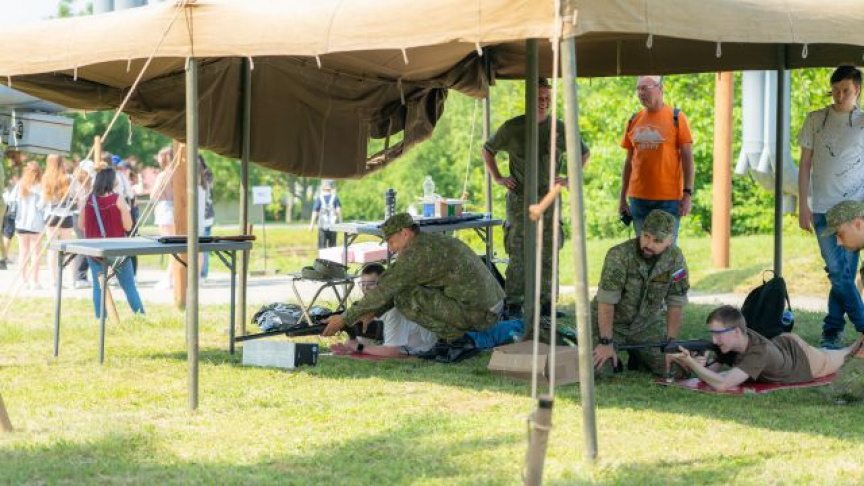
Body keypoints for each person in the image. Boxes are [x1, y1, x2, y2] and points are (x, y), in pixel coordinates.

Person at [482, 77, 590, 318]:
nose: (543, 102)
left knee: (549, 251)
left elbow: (584, 153)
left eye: (547, 98)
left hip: (550, 198)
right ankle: (514, 304)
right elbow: (487, 150)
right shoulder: (512, 128)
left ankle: (547, 305)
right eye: (539, 97)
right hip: (520, 199)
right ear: (528, 99)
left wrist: (569, 179)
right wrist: (498, 178)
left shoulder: (559, 128)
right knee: (518, 251)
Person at [322, 212, 504, 341]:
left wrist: (344, 318)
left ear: (405, 233)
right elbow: (393, 284)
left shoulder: (415, 254)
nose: (390, 249)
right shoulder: (427, 242)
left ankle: (456, 340)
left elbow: (385, 289)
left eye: (391, 241)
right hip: (490, 306)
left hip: (479, 313)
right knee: (405, 290)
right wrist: (373, 311)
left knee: (404, 298)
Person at [797, 66, 864, 349]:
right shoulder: (815, 119)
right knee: (838, 272)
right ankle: (858, 326)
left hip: (854, 213)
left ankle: (832, 330)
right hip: (823, 208)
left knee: (841, 275)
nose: (839, 95)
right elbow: (805, 164)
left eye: (845, 90)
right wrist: (803, 204)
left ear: (856, 90)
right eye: (835, 90)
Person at [591, 209, 690, 378]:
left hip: (646, 325)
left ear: (670, 240)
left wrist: (671, 345)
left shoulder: (675, 259)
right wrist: (606, 342)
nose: (649, 244)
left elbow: (676, 302)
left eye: (657, 240)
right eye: (646, 236)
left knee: (676, 370)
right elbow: (606, 301)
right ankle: (618, 360)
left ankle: (639, 359)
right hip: (613, 325)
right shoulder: (619, 255)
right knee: (598, 371)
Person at [671, 305, 861, 392]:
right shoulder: (733, 342)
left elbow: (722, 384)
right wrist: (697, 364)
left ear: (736, 332)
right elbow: (710, 375)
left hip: (803, 360)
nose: (714, 339)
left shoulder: (756, 352)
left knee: (847, 354)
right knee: (839, 352)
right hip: (782, 345)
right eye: (712, 334)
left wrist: (692, 364)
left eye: (718, 334)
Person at [618, 75, 695, 239]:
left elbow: (688, 159)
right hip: (638, 199)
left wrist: (688, 193)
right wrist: (622, 198)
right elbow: (629, 163)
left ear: (660, 89)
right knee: (643, 249)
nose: (640, 93)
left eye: (645, 88)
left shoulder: (676, 117)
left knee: (666, 250)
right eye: (638, 89)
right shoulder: (634, 120)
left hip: (668, 200)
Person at [80, 165, 144, 318]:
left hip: (95, 251)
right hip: (117, 250)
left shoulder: (88, 200)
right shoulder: (117, 199)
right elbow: (128, 226)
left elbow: (81, 225)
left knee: (98, 288)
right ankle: (140, 317)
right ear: (112, 181)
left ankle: (100, 319)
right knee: (129, 286)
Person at [338, 263, 439, 357]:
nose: (366, 288)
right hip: (399, 350)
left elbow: (391, 352)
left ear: (384, 285)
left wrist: (358, 347)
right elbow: (358, 341)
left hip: (421, 353)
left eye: (371, 283)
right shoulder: (366, 309)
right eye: (363, 284)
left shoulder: (394, 308)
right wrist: (346, 348)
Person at [41, 154, 77, 287]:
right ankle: (71, 279)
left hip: (51, 215)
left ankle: (53, 280)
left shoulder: (46, 178)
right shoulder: (69, 178)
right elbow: (75, 195)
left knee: (52, 249)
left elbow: (43, 200)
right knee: (68, 248)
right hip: (66, 215)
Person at [11, 162, 45, 289]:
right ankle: (35, 281)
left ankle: (22, 280)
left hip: (21, 222)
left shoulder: (20, 185)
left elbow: (11, 200)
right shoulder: (40, 187)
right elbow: (41, 205)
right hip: (36, 223)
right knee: (35, 253)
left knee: (23, 252)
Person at [152, 147, 175, 289]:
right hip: (174, 209)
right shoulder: (178, 174)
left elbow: (153, 195)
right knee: (174, 247)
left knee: (171, 248)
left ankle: (168, 278)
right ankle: (172, 277)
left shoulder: (163, 175)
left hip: (165, 210)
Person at [309, 179, 341, 249]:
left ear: (322, 188)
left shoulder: (319, 198)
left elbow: (315, 212)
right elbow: (338, 211)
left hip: (322, 227)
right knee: (332, 248)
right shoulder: (335, 197)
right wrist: (341, 223)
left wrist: (311, 225)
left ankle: (323, 256)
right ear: (331, 188)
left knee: (322, 248)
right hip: (333, 227)